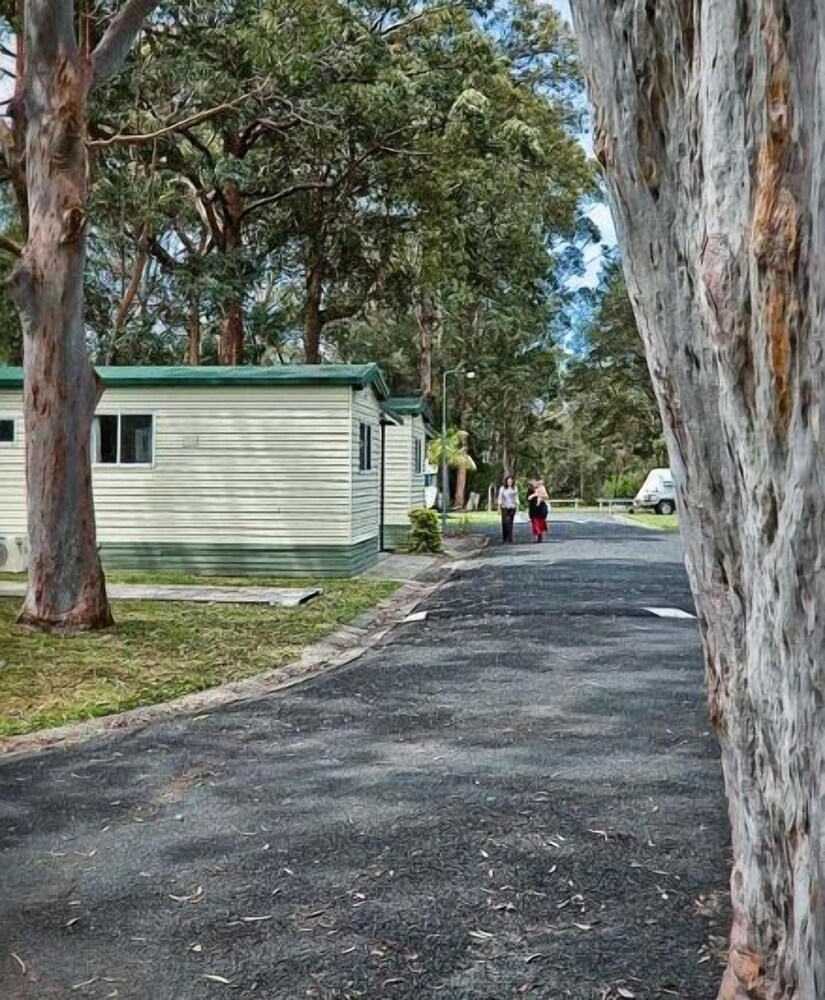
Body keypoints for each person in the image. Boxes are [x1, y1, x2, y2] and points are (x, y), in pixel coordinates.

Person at [497, 475, 519, 544]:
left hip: (512, 507)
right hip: (504, 507)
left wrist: (517, 508)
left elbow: (516, 498)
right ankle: (505, 537)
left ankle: (510, 538)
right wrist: (499, 507)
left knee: (510, 523)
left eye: (511, 481)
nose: (510, 482)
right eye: (508, 481)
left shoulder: (514, 488)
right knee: (504, 522)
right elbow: (500, 498)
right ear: (506, 481)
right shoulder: (502, 488)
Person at [527, 477, 549, 543]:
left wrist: (540, 497)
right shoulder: (530, 490)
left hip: (540, 509)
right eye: (532, 482)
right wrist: (534, 495)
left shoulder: (542, 488)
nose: (534, 483)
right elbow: (528, 499)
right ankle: (535, 537)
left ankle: (540, 535)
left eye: (535, 482)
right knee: (534, 523)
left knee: (540, 523)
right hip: (533, 509)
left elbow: (546, 496)